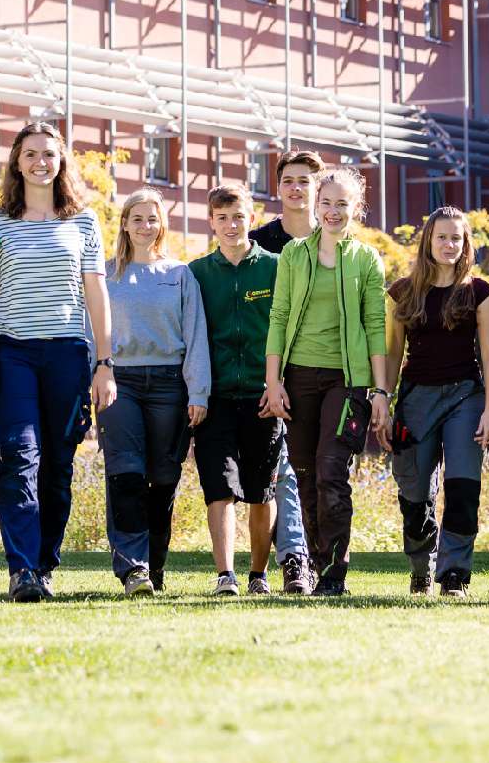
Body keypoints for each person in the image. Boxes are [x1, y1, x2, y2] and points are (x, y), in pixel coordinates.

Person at [0, 123, 115, 602]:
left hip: (66, 353)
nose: (41, 161)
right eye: (31, 154)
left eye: (50, 154)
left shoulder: (82, 220)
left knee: (57, 466)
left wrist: (105, 361)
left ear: (62, 162)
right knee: (20, 456)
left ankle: (44, 564)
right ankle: (21, 570)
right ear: (17, 162)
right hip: (12, 351)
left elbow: (96, 292)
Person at [264, 167, 388, 597]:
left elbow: (376, 325)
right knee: (303, 475)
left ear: (357, 208)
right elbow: (278, 317)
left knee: (331, 471)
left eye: (342, 204)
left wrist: (380, 391)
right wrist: (273, 381)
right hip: (297, 379)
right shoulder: (295, 255)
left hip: (347, 382)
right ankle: (315, 568)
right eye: (327, 202)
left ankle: (335, 573)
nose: (333, 211)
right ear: (316, 204)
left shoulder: (366, 259)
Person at [380, 206, 489, 598]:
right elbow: (392, 354)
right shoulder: (400, 292)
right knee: (414, 496)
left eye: (457, 238)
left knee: (463, 488)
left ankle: (454, 575)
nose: (450, 244)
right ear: (428, 241)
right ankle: (421, 567)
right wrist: (383, 400)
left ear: (466, 244)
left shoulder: (479, 293)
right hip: (415, 400)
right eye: (442, 237)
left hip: (465, 396)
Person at [101, 187, 210, 597]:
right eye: (137, 219)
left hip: (170, 386)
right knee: (126, 473)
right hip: (120, 382)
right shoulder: (105, 274)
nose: (145, 226)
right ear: (125, 225)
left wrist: (198, 393)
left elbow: (195, 336)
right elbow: (93, 332)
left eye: (153, 219)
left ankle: (155, 566)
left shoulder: (180, 275)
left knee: (163, 479)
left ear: (161, 224)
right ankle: (133, 569)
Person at [189, 183, 284, 596]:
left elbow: (287, 332)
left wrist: (278, 386)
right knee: (220, 488)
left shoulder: (276, 268)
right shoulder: (195, 274)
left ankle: (258, 575)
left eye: (238, 217)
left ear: (252, 218)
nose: (231, 225)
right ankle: (225, 574)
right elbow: (189, 339)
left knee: (262, 490)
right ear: (211, 221)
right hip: (215, 399)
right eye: (222, 218)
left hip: (263, 399)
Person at [248, 147, 325, 594]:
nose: (297, 189)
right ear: (278, 188)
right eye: (289, 181)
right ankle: (295, 560)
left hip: (323, 370)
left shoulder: (332, 239)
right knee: (286, 470)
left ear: (317, 189)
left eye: (305, 182)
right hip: (271, 373)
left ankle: (319, 558)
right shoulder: (259, 243)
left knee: (321, 469)